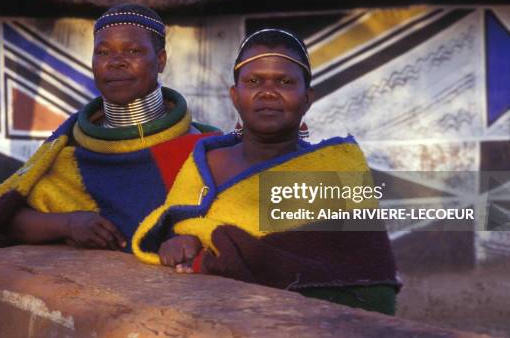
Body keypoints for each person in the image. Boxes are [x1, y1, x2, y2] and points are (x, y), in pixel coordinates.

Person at [132, 29, 400, 314]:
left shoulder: (336, 169)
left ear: (307, 98)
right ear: (235, 96)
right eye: (254, 81)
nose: (268, 92)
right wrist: (179, 242)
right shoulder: (204, 162)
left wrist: (208, 241)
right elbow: (170, 232)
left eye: (284, 82)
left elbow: (369, 284)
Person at [0, 3, 219, 251]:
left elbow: (242, 227)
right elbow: (3, 219)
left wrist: (192, 237)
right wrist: (69, 223)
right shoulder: (73, 151)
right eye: (103, 52)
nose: (116, 62)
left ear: (160, 61)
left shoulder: (204, 149)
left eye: (133, 51)